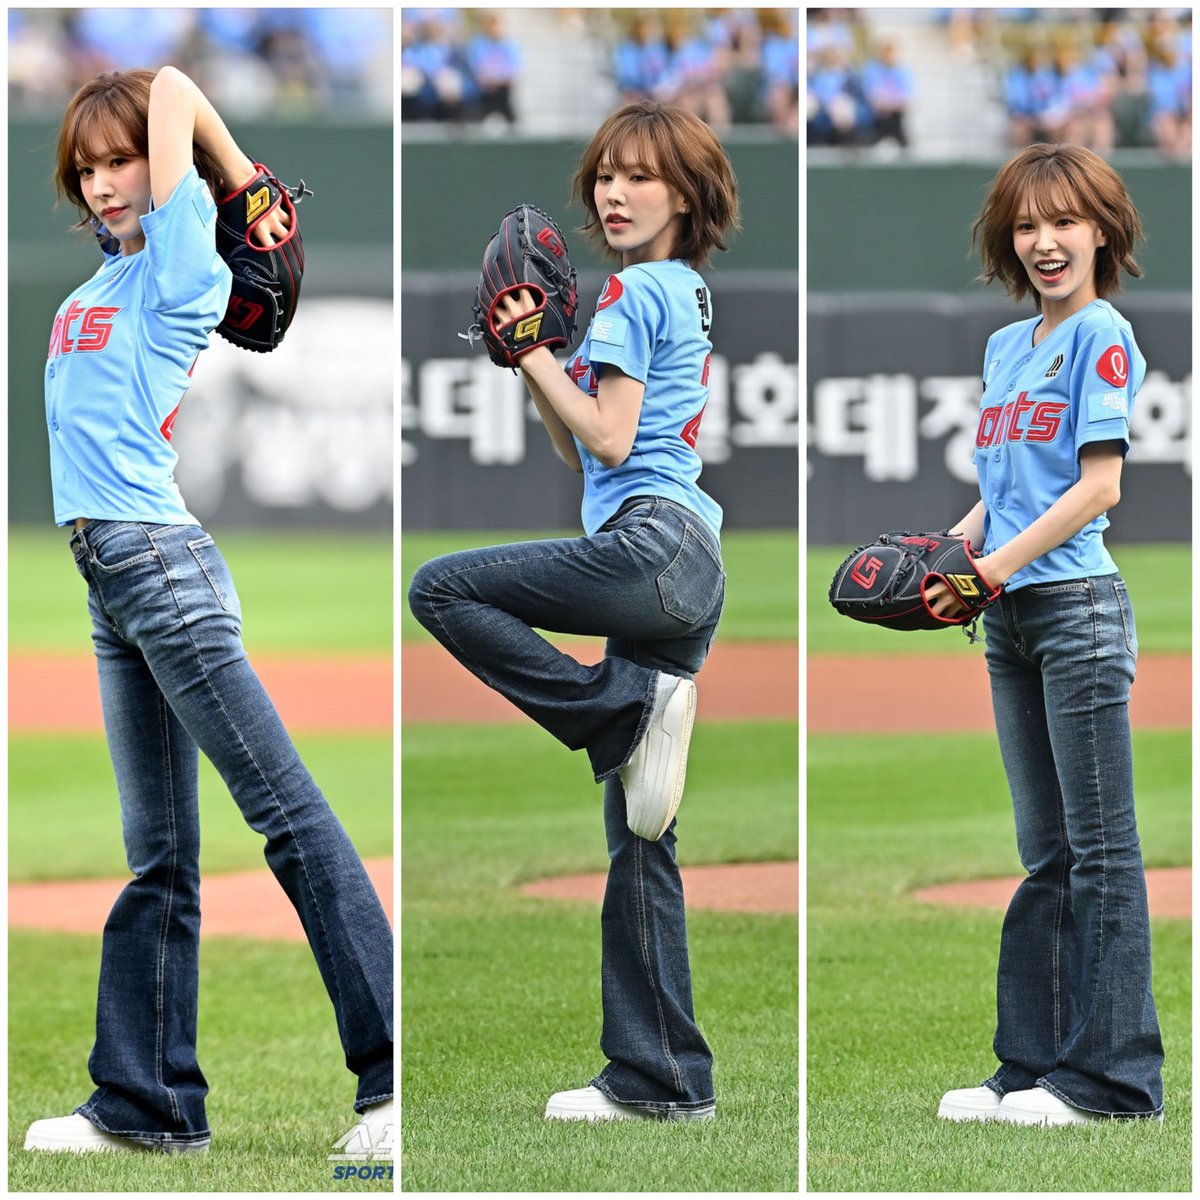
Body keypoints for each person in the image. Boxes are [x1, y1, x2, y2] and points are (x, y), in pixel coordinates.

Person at [24, 67, 393, 1155]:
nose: (104, 182)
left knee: (287, 818)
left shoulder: (181, 263)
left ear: (164, 167)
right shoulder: (96, 288)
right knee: (160, 855)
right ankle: (147, 1104)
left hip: (160, 568)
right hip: (111, 582)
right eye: (87, 167)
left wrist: (234, 175)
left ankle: (392, 1083)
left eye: (122, 159)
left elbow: (178, 85)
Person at [408, 99, 739, 1122]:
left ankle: (618, 714)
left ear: (684, 194)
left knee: (441, 587)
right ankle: (661, 1078)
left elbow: (608, 439)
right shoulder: (678, 287)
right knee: (643, 836)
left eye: (640, 174)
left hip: (652, 544)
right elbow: (578, 440)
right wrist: (532, 361)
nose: (614, 190)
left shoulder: (636, 289)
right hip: (682, 559)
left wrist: (538, 352)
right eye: (605, 173)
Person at [931, 143, 1164, 1126]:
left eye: (1065, 221)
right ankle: (1029, 1067)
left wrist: (991, 568)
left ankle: (1113, 1081)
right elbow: (1002, 491)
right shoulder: (1005, 347)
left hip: (1076, 612)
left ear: (1102, 230)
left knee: (1101, 852)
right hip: (1013, 618)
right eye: (1027, 225)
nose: (1045, 241)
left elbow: (1098, 487)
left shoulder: (1102, 332)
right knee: (1046, 855)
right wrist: (945, 553)